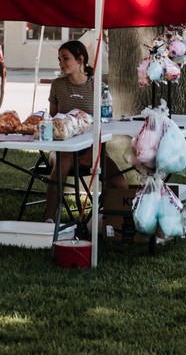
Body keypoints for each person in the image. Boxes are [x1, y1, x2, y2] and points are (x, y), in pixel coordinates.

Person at [44, 40, 128, 226]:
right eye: (59, 59)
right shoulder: (57, 85)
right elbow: (52, 120)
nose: (61, 63)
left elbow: (104, 121)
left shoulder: (98, 86)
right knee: (63, 160)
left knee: (119, 182)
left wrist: (92, 149)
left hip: (91, 148)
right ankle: (49, 220)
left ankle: (103, 220)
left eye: (66, 59)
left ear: (80, 59)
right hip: (62, 147)